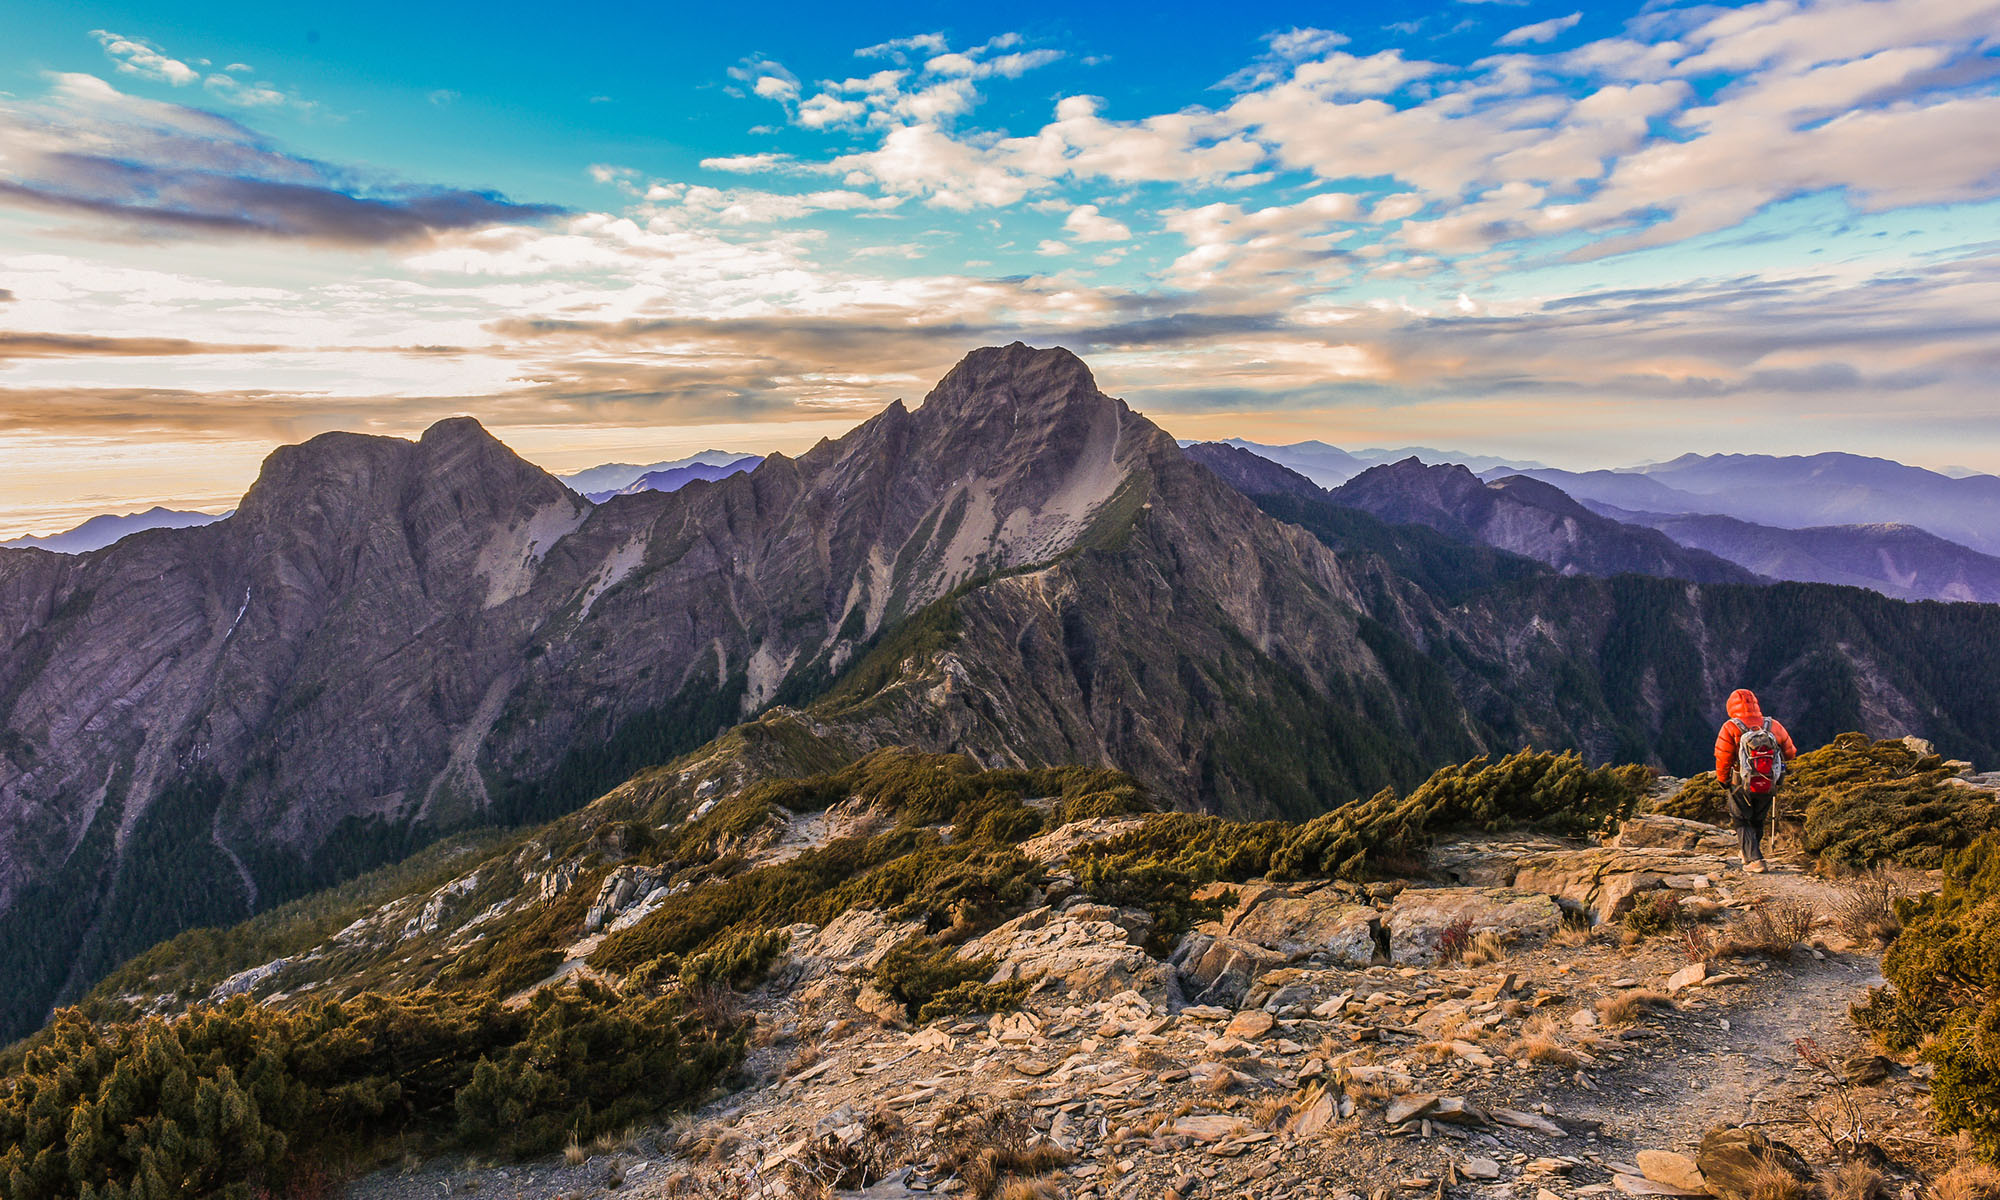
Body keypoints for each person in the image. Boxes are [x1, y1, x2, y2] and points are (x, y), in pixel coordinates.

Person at [1713, 688, 1798, 873]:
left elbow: (1723, 757)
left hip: (1739, 781)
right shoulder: (1772, 725)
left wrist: (1723, 779)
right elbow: (1790, 753)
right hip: (1768, 780)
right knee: (1758, 818)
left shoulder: (1730, 727)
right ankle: (1749, 852)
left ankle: (1754, 859)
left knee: (1741, 819)